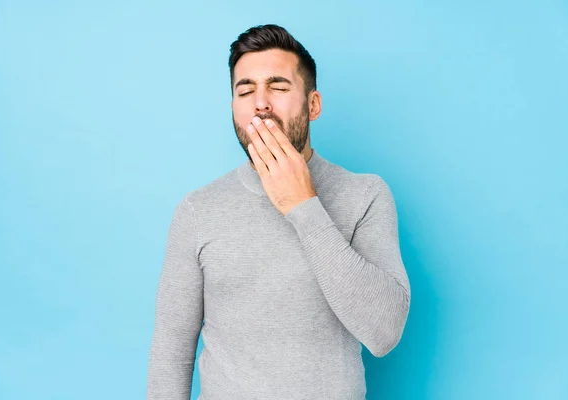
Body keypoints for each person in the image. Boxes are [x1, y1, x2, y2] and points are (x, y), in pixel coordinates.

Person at [146, 24, 411, 400]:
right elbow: (170, 355)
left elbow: (385, 333)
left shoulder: (365, 195)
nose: (261, 103)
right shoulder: (197, 210)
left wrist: (303, 206)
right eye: (246, 90)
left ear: (313, 105)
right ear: (234, 108)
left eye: (279, 87)